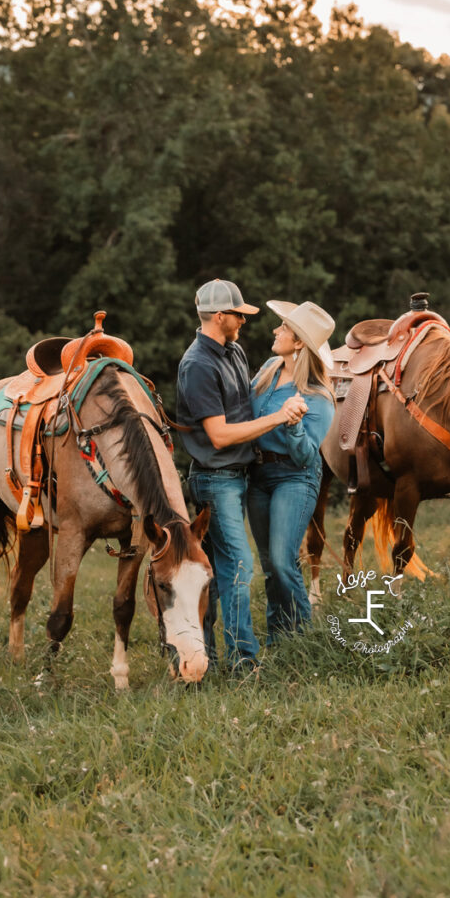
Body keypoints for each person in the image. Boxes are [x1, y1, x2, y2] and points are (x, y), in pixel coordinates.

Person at [177, 279, 308, 672]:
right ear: (220, 317)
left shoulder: (233, 351)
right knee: (239, 566)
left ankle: (200, 656)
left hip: (237, 476)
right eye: (238, 314)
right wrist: (278, 417)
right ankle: (242, 662)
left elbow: (244, 409)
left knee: (215, 577)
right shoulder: (197, 365)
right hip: (214, 478)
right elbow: (217, 436)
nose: (244, 321)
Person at [247, 300, 336, 645]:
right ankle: (278, 639)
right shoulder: (269, 368)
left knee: (284, 561)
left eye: (283, 327)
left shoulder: (317, 397)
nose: (275, 330)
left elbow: (303, 457)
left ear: (299, 342)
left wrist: (294, 424)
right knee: (270, 566)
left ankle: (306, 639)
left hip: (294, 477)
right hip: (258, 475)